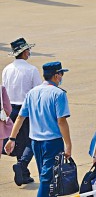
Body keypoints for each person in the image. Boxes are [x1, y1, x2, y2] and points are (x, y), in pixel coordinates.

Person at [4, 62, 72, 197]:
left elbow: (20, 117)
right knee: (48, 179)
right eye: (61, 74)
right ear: (57, 76)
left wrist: (12, 139)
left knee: (45, 176)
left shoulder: (32, 93)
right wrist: (68, 144)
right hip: (52, 142)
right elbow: (61, 121)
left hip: (35, 142)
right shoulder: (58, 94)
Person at [2, 37, 40, 186]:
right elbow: (36, 92)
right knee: (32, 139)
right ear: (24, 52)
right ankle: (22, 165)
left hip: (10, 108)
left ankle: (23, 173)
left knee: (17, 140)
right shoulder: (31, 70)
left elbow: (3, 91)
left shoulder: (6, 69)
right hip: (27, 109)